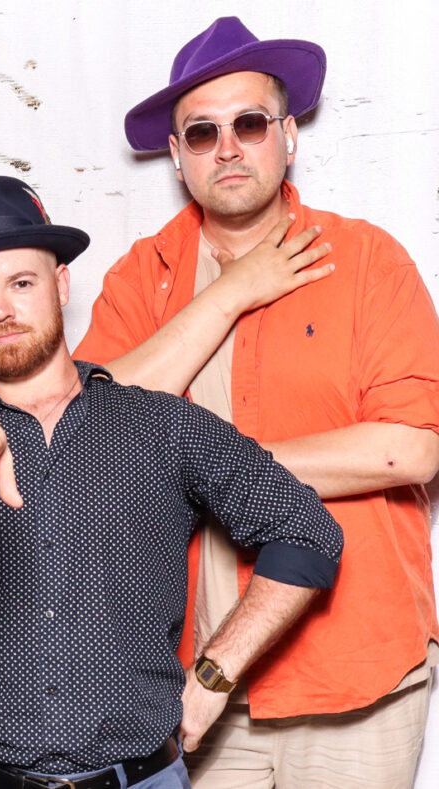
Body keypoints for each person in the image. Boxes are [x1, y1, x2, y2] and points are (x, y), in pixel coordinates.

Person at [0, 175, 344, 789]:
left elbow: (309, 532)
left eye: (21, 283)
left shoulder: (162, 427)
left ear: (61, 284)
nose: (0, 310)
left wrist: (215, 675)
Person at [73, 17, 439, 788]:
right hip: (194, 690)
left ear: (289, 135)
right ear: (175, 157)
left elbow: (410, 446)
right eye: (201, 133)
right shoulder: (145, 279)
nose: (228, 147)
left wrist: (213, 470)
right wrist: (235, 289)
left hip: (355, 682)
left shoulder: (367, 260)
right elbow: (81, 441)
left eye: (249, 123)